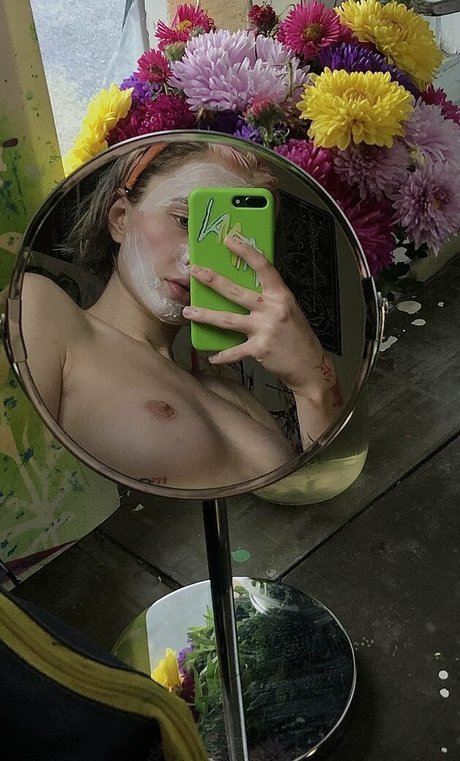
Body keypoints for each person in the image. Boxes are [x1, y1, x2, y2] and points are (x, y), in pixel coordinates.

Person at [21, 141, 343, 489]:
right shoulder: (44, 309)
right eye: (184, 220)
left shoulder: (235, 397)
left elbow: (322, 500)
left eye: (233, 241)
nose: (194, 259)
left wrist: (312, 384)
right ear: (120, 217)